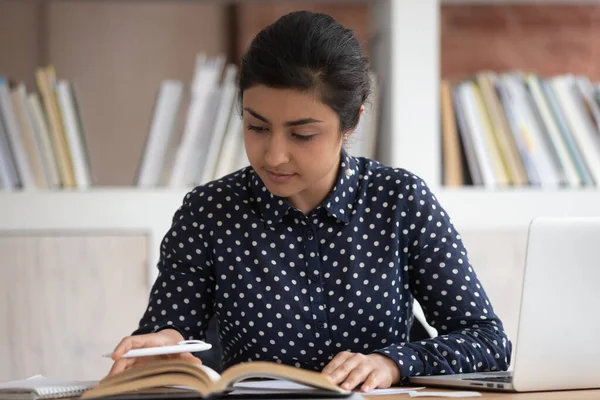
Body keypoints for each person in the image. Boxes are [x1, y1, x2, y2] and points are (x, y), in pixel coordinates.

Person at [107, 10, 511, 392]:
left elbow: (488, 341)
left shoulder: (401, 201)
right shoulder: (209, 212)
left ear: (350, 124)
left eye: (301, 134)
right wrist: (162, 344)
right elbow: (169, 330)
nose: (274, 155)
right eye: (256, 127)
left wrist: (392, 363)